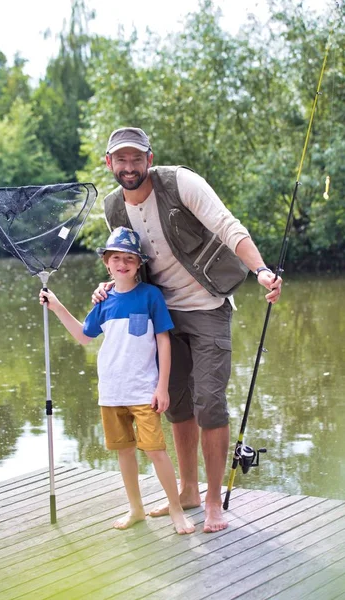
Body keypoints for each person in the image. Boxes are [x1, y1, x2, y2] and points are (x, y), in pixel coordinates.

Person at [92, 126, 283, 533]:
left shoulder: (180, 182)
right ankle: (188, 490)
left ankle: (213, 502)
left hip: (208, 304)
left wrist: (262, 270)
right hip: (162, 315)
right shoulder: (113, 207)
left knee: (209, 401)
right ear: (109, 163)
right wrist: (109, 285)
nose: (129, 166)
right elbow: (125, 259)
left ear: (149, 157)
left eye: (136, 157)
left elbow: (229, 226)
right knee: (175, 405)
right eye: (120, 159)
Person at [40, 226, 195, 535]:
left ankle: (176, 510)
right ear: (106, 264)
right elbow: (84, 336)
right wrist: (56, 307)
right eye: (116, 258)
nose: (122, 264)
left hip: (144, 391)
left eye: (129, 259)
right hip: (111, 393)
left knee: (156, 451)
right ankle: (136, 509)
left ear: (139, 265)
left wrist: (162, 386)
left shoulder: (151, 296)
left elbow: (163, 341)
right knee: (124, 452)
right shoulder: (104, 300)